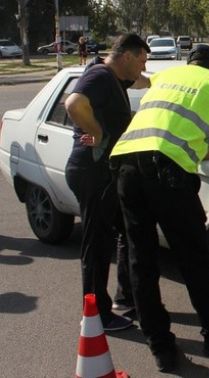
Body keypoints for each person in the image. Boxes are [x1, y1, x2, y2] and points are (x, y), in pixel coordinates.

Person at [110, 44, 209, 373]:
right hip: (167, 176)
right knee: (193, 257)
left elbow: (169, 127)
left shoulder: (167, 76)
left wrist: (201, 149)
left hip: (126, 167)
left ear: (189, 64)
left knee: (141, 260)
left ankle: (160, 347)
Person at [64, 34, 151, 333]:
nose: (143, 67)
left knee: (126, 232)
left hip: (100, 172)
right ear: (126, 55)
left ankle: (124, 299)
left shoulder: (113, 75)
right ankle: (96, 315)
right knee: (96, 245)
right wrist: (98, 133)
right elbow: (74, 103)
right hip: (93, 171)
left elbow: (141, 83)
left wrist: (157, 82)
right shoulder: (102, 76)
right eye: (142, 61)